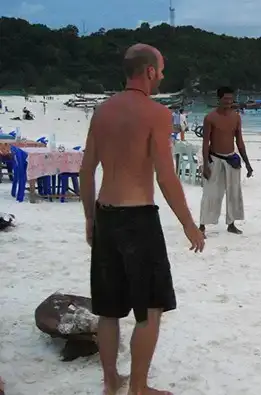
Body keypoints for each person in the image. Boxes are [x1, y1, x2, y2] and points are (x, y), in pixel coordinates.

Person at [79, 43, 205, 395]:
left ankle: (110, 383)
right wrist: (188, 223)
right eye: (161, 69)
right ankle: (137, 388)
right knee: (149, 308)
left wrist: (90, 218)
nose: (163, 75)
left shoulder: (101, 112)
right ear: (149, 71)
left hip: (105, 215)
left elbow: (86, 171)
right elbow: (166, 177)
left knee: (108, 310)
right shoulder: (156, 114)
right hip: (138, 220)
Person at [198, 86, 253, 236]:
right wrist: (205, 166)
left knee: (234, 193)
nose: (229, 102)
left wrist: (248, 164)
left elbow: (239, 141)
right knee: (210, 193)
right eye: (225, 99)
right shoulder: (210, 117)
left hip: (232, 159)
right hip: (215, 158)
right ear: (219, 99)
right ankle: (202, 226)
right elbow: (205, 143)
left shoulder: (236, 116)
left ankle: (231, 223)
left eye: (231, 99)